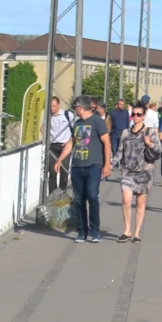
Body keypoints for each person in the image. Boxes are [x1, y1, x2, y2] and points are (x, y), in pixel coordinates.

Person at [60, 101, 110, 242]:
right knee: (79, 200)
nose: (74, 110)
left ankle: (95, 231)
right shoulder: (77, 123)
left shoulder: (97, 122)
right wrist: (60, 159)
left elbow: (107, 143)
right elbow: (72, 143)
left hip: (93, 165)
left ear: (80, 108)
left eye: (75, 108)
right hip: (77, 166)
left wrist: (107, 164)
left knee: (92, 196)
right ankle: (82, 231)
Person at [111, 108, 158, 242]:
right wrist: (110, 165)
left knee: (140, 203)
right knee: (126, 200)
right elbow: (120, 152)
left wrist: (149, 143)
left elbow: (159, 150)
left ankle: (137, 233)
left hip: (144, 172)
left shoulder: (149, 132)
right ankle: (127, 230)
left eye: (139, 114)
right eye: (133, 114)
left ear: (143, 116)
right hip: (128, 171)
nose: (135, 116)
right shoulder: (125, 133)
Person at [45, 97, 72, 192]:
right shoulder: (48, 117)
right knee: (52, 172)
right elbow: (42, 128)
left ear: (59, 105)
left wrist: (70, 141)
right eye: (51, 106)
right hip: (53, 146)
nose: (52, 108)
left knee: (64, 171)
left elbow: (75, 129)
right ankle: (52, 194)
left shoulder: (68, 115)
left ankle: (62, 192)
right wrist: (48, 138)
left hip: (65, 146)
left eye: (54, 106)